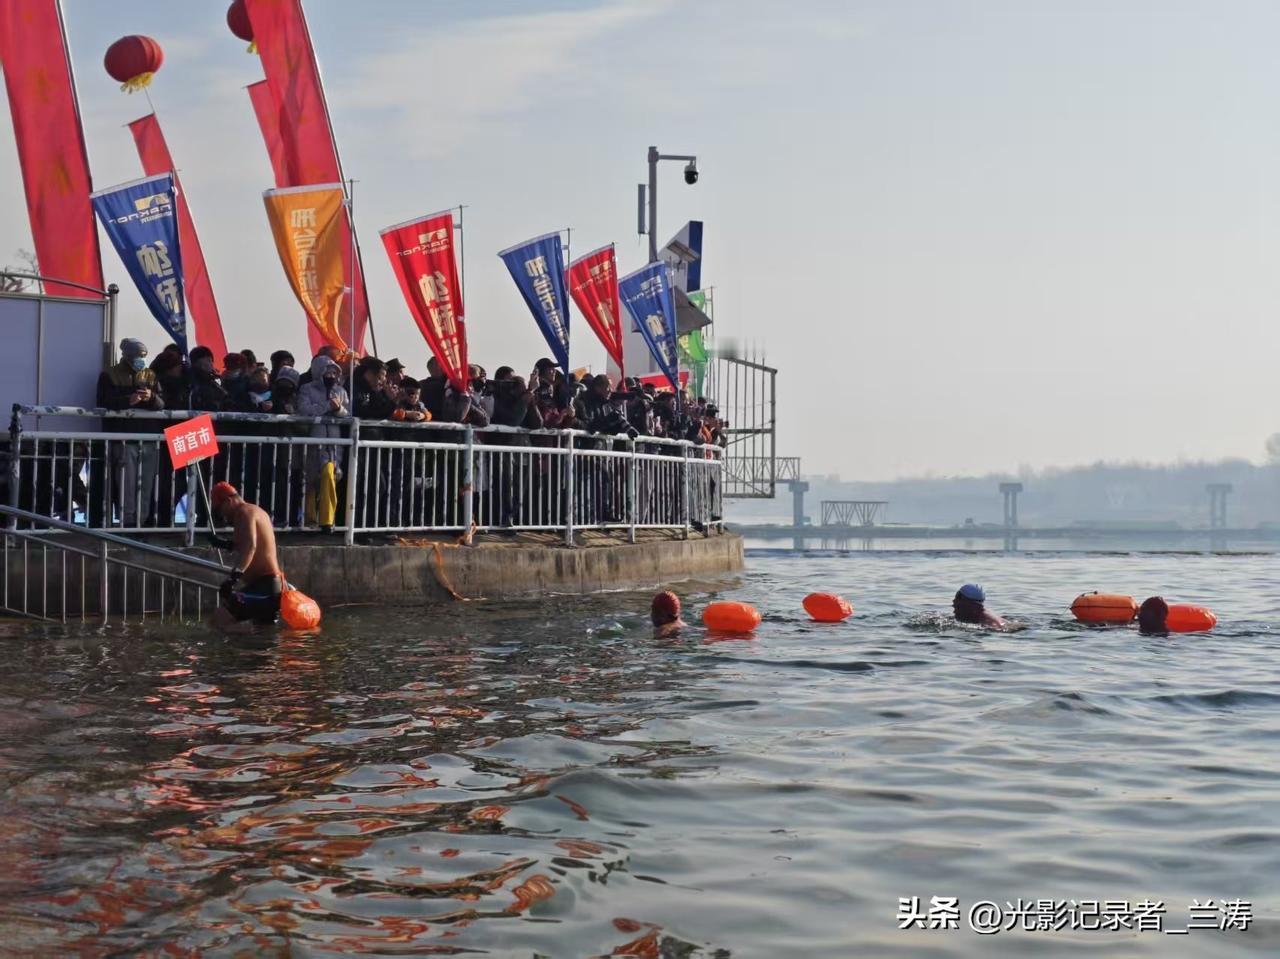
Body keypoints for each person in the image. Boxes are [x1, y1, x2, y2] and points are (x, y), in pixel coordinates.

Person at [95, 337, 164, 527]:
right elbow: (103, 402)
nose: (141, 360)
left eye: (143, 356)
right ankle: (129, 522)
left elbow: (162, 404)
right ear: (127, 355)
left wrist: (152, 397)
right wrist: (128, 400)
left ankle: (142, 521)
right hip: (124, 439)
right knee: (127, 484)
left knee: (146, 484)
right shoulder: (110, 375)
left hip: (148, 439)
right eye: (137, 356)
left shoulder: (150, 375)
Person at [208, 482, 283, 627]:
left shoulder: (244, 512)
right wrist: (224, 544)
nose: (222, 515)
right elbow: (248, 544)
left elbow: (250, 547)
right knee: (262, 632)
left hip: (264, 587)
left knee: (218, 620)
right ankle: (252, 640)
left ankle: (241, 640)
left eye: (219, 509)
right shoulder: (256, 511)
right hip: (270, 586)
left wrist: (233, 579)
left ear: (228, 501)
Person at [296, 355, 349, 533]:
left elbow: (348, 414)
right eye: (328, 372)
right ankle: (309, 520)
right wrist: (327, 406)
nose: (331, 376)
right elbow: (304, 410)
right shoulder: (306, 389)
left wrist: (338, 409)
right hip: (313, 441)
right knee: (310, 480)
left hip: (333, 443)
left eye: (334, 373)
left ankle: (327, 520)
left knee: (329, 474)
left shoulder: (341, 391)